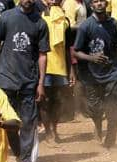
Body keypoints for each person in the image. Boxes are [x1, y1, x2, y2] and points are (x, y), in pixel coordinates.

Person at [0, 0, 49, 162]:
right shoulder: (6, 17)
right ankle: (17, 151)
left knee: (28, 120)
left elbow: (42, 55)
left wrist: (41, 83)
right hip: (5, 78)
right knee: (7, 120)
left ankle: (26, 158)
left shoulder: (40, 23)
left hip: (28, 80)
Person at [72, 0, 117, 148]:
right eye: (95, 1)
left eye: (101, 1)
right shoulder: (86, 26)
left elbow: (115, 47)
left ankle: (110, 141)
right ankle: (98, 127)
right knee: (95, 108)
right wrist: (91, 58)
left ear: (106, 3)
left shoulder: (113, 23)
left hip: (111, 72)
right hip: (91, 74)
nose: (99, 4)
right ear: (91, 5)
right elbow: (76, 51)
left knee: (112, 106)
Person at [40, 0, 73, 144]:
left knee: (58, 101)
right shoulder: (39, 17)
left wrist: (71, 70)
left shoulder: (65, 20)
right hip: (45, 65)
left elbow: (67, 47)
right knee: (45, 101)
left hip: (60, 66)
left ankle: (54, 128)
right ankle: (47, 132)